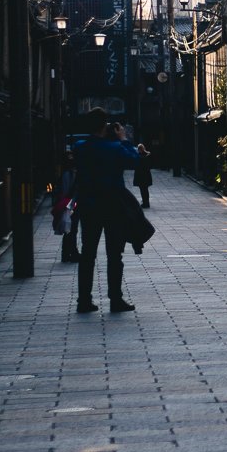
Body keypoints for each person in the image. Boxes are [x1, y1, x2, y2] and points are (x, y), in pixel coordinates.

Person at [72, 112, 143, 313]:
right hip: (113, 206)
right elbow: (134, 161)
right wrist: (123, 139)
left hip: (88, 205)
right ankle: (115, 299)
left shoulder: (80, 148)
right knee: (114, 254)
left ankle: (84, 300)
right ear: (105, 125)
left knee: (88, 253)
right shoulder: (116, 148)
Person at [55, 150, 80, 263]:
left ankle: (67, 253)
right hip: (70, 204)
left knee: (70, 229)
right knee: (71, 229)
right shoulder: (69, 174)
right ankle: (71, 253)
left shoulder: (68, 173)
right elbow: (66, 192)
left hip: (70, 203)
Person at [133, 140, 153, 208]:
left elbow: (138, 166)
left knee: (143, 190)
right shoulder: (146, 156)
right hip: (146, 176)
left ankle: (145, 203)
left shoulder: (140, 157)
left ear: (140, 150)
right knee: (145, 190)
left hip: (141, 177)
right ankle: (146, 201)